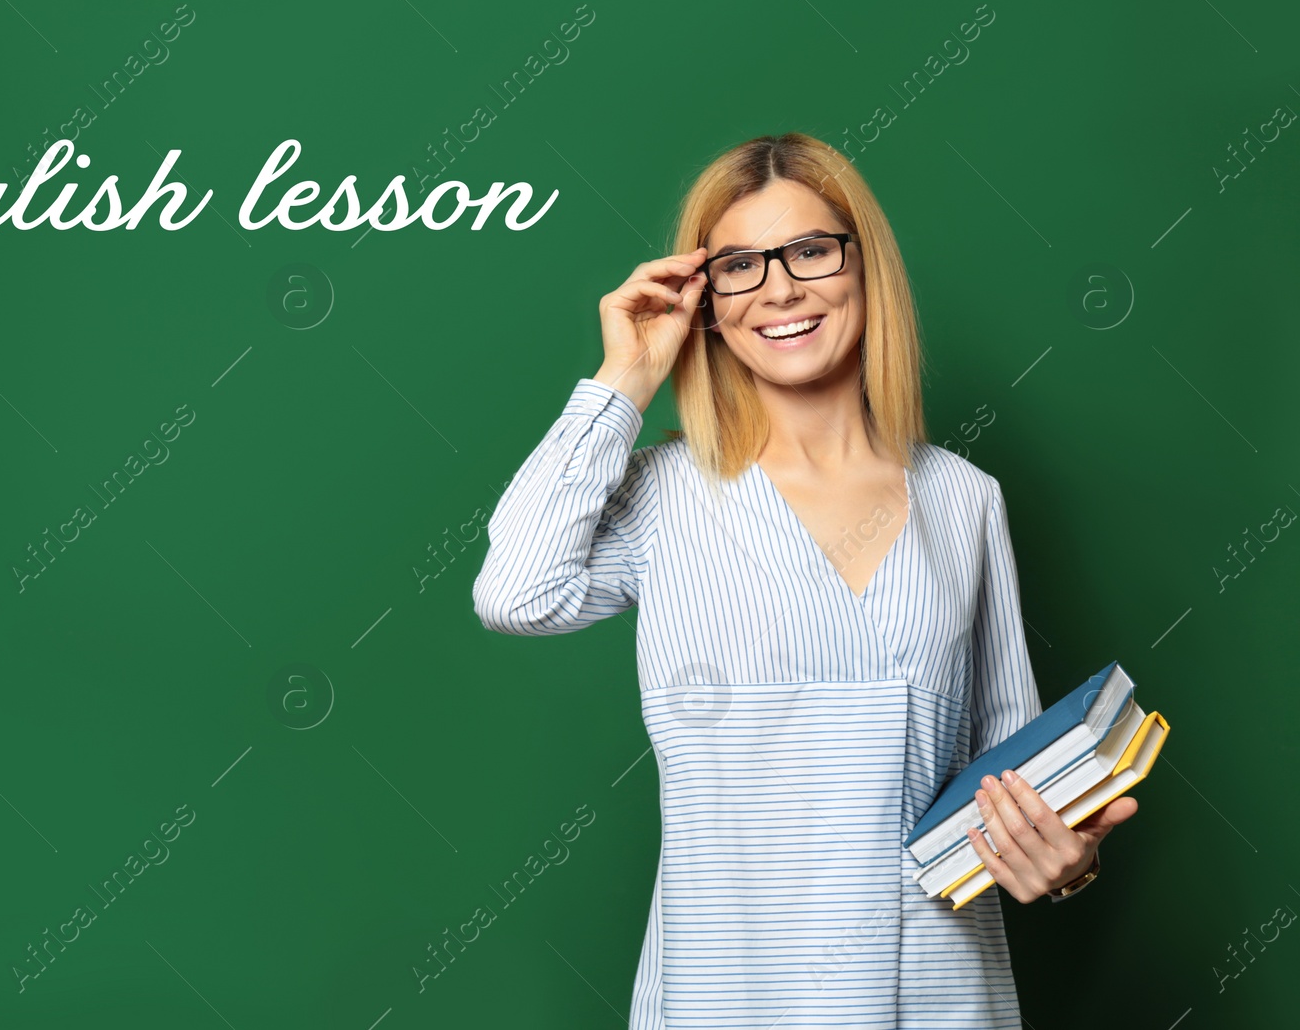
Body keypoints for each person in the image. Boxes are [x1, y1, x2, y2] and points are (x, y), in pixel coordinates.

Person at [471, 132, 1136, 1028]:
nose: (780, 289)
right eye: (740, 265)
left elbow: (1009, 769)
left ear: (865, 266)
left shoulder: (965, 500)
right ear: (706, 298)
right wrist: (624, 375)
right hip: (723, 992)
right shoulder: (665, 492)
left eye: (811, 251)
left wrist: (1067, 861)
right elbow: (514, 592)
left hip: (934, 995)